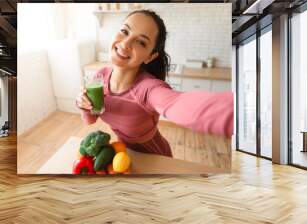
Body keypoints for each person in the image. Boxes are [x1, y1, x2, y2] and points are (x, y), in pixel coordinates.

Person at [76, 9, 233, 157]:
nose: (125, 43)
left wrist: (239, 112)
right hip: (123, 152)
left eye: (141, 42)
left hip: (154, 157)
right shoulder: (100, 77)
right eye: (124, 31)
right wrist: (84, 105)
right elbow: (90, 120)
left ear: (150, 57)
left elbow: (179, 104)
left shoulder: (148, 89)